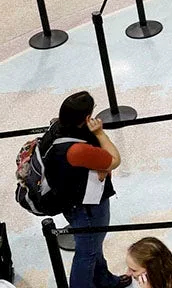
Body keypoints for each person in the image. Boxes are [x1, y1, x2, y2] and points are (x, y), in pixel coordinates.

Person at [44, 92, 126, 288]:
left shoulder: (56, 129)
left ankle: (104, 280)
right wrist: (99, 133)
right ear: (87, 118)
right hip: (88, 207)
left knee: (93, 246)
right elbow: (114, 159)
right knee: (87, 253)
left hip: (69, 200)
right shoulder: (77, 149)